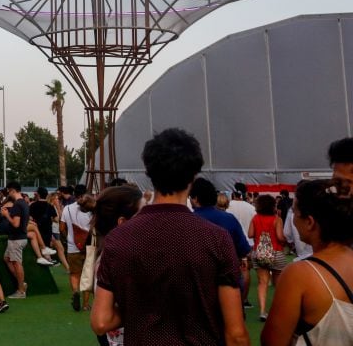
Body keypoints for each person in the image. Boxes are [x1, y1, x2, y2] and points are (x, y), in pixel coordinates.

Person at [91, 128, 249, 346]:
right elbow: (236, 333)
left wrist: (139, 308)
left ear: (149, 172)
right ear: (194, 176)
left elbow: (101, 321)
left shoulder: (118, 239)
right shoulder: (216, 238)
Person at [261, 178, 353, 345]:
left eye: (295, 213)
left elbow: (272, 341)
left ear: (310, 222)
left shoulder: (299, 274)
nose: (294, 220)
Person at [88, 185, 145, 346]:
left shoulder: (111, 254)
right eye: (142, 214)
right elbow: (102, 322)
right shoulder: (115, 259)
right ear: (122, 222)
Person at [189, 178, 251, 264]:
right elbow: (243, 249)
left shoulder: (186, 221)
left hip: (196, 272)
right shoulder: (229, 218)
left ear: (195, 198)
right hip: (226, 271)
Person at [250, 193, 288, 321]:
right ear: (273, 205)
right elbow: (279, 237)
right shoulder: (277, 219)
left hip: (259, 253)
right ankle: (279, 310)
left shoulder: (255, 218)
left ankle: (262, 311)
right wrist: (286, 241)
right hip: (276, 252)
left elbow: (250, 234)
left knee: (262, 283)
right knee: (279, 284)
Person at [62, 192, 95, 311]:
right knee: (88, 275)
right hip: (90, 246)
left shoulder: (67, 209)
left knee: (74, 273)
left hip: (73, 246)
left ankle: (75, 292)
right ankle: (86, 304)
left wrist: (68, 238)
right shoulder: (93, 209)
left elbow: (62, 228)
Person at [0, 182, 30, 298]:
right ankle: (22, 284)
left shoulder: (17, 205)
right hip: (19, 237)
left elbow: (16, 224)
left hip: (16, 238)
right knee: (7, 258)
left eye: (9, 192)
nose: (8, 194)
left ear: (12, 190)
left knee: (17, 263)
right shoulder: (24, 203)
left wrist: (6, 215)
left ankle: (21, 290)